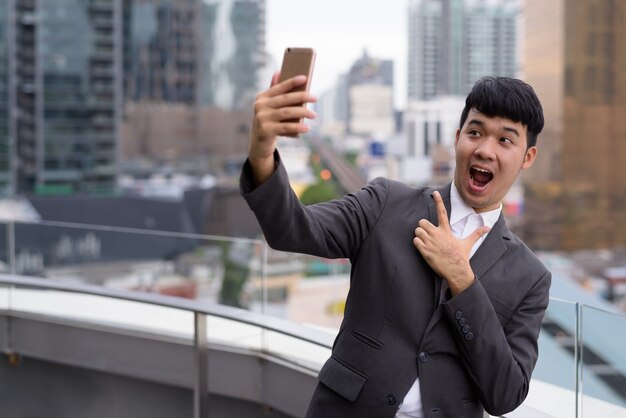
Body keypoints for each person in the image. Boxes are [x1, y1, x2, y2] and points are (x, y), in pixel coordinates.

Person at [240, 74, 551, 418]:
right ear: (457, 138)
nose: (485, 150)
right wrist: (261, 152)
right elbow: (292, 230)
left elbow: (505, 394)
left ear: (528, 157)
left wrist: (464, 281)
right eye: (475, 132)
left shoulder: (531, 277)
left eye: (505, 140)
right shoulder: (385, 203)